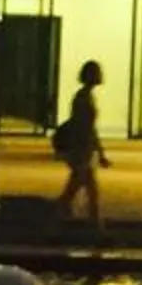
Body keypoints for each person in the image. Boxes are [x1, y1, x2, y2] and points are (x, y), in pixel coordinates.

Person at [53, 58, 109, 230]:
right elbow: (86, 127)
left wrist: (99, 150)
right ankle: (93, 226)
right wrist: (100, 151)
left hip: (82, 148)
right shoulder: (83, 98)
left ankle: (94, 225)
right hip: (81, 148)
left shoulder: (84, 97)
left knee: (84, 189)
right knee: (82, 189)